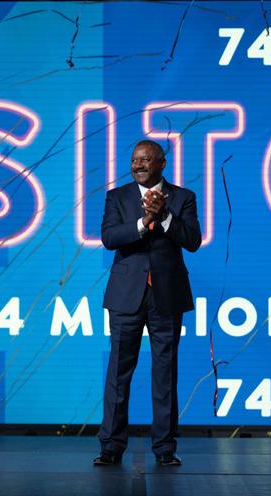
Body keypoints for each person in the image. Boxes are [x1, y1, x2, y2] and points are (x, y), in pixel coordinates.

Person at [95, 140, 201, 467]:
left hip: (166, 295)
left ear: (161, 163)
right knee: (118, 372)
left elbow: (193, 240)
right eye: (134, 160)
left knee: (165, 373)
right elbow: (109, 238)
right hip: (126, 294)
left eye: (145, 160)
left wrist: (164, 216)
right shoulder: (117, 197)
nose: (138, 165)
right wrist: (143, 222)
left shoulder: (183, 197)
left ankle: (165, 447)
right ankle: (111, 446)